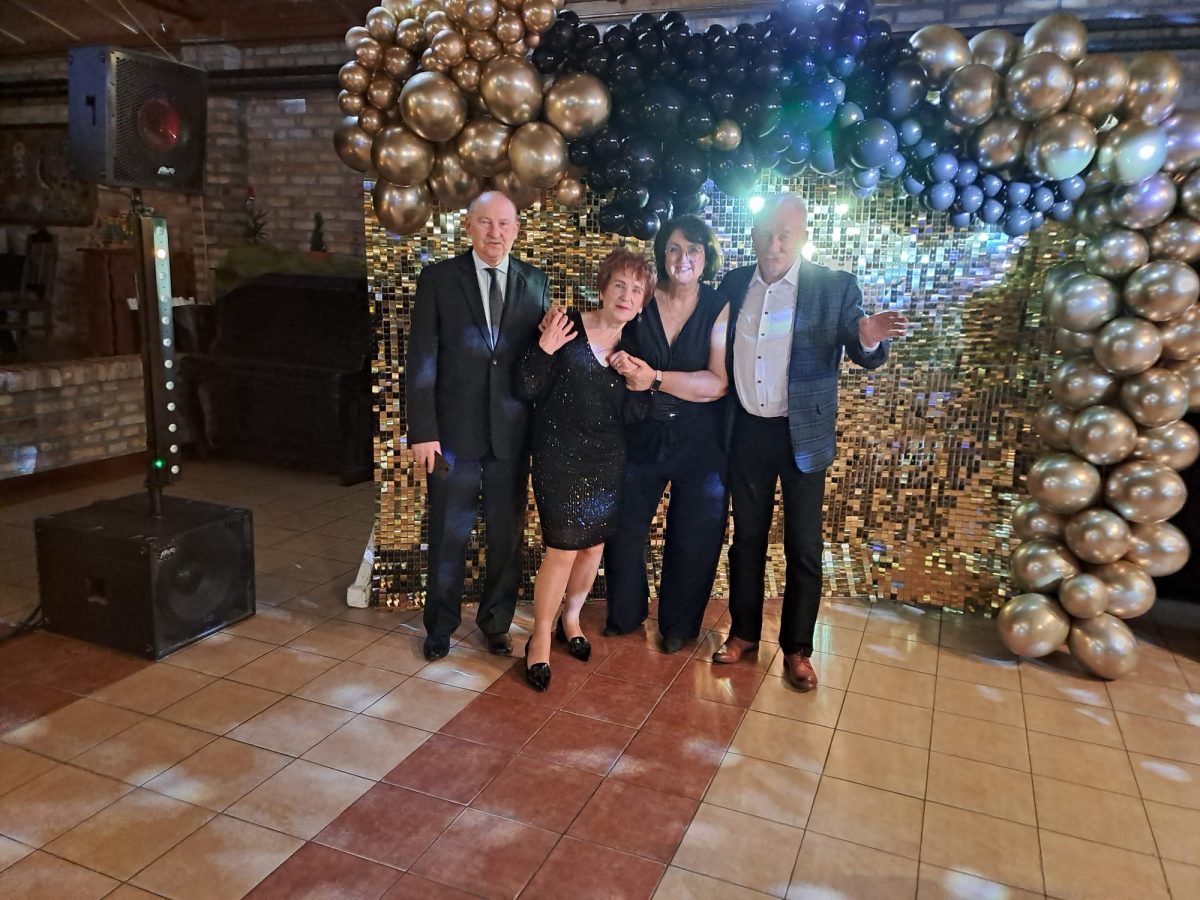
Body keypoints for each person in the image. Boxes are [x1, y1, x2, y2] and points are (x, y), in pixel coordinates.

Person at [714, 193, 908, 690]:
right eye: (766, 233)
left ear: (802, 237)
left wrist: (868, 337)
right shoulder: (735, 284)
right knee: (747, 541)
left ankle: (798, 648)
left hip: (802, 434)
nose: (774, 243)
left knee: (803, 546)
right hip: (747, 430)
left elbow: (863, 351)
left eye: (785, 234)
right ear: (753, 235)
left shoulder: (832, 286)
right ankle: (743, 633)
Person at [406, 191, 550, 662]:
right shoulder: (439, 279)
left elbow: (537, 363)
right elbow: (421, 358)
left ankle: (496, 623)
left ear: (516, 230)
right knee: (449, 534)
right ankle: (439, 626)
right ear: (468, 226)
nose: (495, 232)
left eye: (504, 223)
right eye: (485, 222)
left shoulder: (536, 282)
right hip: (451, 436)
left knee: (506, 538)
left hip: (512, 436)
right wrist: (422, 431)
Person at [517, 249, 656, 690]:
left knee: (593, 548)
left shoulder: (635, 350)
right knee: (561, 550)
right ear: (602, 288)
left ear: (642, 304)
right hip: (558, 457)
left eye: (636, 290)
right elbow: (526, 386)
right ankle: (540, 636)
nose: (626, 296)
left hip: (607, 461)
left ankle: (571, 620)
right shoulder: (565, 325)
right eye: (620, 285)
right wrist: (544, 348)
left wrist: (639, 383)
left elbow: (633, 416)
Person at [604, 215, 731, 653]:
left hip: (701, 441)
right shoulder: (642, 296)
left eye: (693, 249)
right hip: (642, 434)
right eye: (674, 248)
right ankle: (625, 613)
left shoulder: (718, 305)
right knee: (623, 527)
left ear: (706, 256)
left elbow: (717, 383)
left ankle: (679, 626)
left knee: (695, 535)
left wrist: (654, 378)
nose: (683, 257)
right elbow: (609, 335)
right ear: (662, 253)